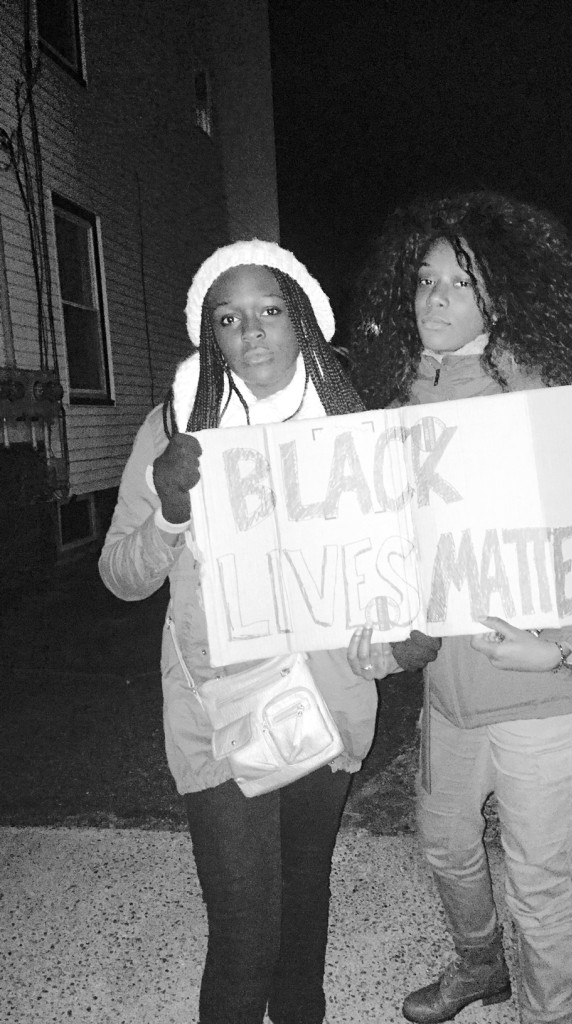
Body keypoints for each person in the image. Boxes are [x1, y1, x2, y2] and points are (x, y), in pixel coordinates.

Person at [345, 192, 572, 1024]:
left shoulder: (540, 401)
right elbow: (396, 556)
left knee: (539, 880)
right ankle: (481, 968)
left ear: (496, 299)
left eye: (459, 281)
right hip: (452, 691)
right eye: (424, 279)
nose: (435, 298)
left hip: (549, 691)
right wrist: (378, 622)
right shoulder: (399, 415)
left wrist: (562, 646)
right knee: (445, 847)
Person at [99, 239, 378, 1024]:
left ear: (305, 323)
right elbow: (122, 574)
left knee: (303, 904)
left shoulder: (352, 430)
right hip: (218, 713)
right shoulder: (173, 430)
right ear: (210, 337)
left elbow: (387, 582)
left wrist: (400, 642)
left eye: (269, 311)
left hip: (326, 707)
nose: (251, 331)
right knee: (246, 927)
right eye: (229, 318)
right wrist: (171, 511)